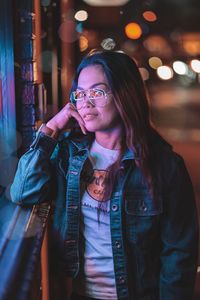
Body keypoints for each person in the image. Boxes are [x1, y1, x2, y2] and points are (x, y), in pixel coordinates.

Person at [10, 50, 199, 300]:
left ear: (124, 95)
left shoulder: (165, 165)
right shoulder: (69, 155)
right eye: (80, 93)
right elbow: (22, 192)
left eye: (97, 92)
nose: (85, 103)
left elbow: (179, 253)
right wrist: (52, 128)